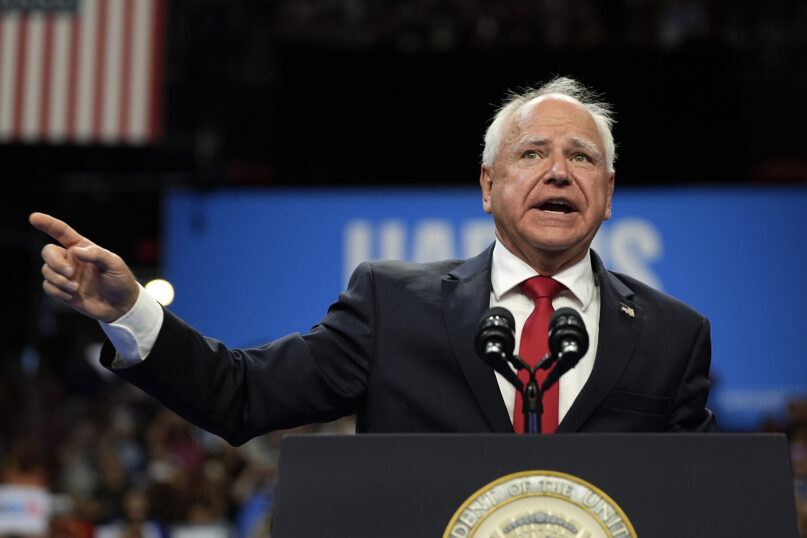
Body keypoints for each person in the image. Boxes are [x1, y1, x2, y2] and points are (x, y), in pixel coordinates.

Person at [30, 76, 717, 443]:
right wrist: (130, 312)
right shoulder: (395, 305)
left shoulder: (670, 333)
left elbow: (708, 500)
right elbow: (242, 396)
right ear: (487, 185)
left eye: (582, 158)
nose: (559, 172)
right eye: (532, 154)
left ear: (606, 196)